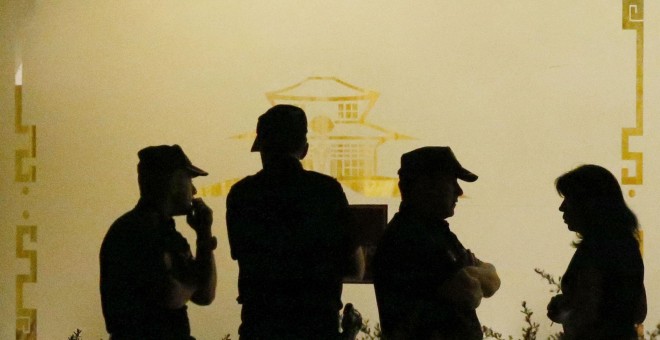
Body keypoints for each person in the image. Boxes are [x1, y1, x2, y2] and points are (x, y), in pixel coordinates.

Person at [226, 104, 365, 339]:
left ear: (262, 148)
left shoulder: (242, 194)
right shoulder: (327, 192)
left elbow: (245, 256)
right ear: (304, 149)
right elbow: (355, 268)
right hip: (318, 327)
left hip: (259, 327)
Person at [373, 146, 500, 339]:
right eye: (451, 182)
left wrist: (469, 274)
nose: (459, 191)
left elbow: (491, 280)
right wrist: (471, 275)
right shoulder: (408, 238)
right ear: (426, 185)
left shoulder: (437, 232)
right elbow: (470, 292)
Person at [100, 145, 217, 340]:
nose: (194, 190)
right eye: (189, 180)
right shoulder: (136, 231)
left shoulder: (165, 232)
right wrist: (192, 283)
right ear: (173, 181)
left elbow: (205, 295)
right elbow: (169, 293)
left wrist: (204, 234)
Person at [547, 164, 646, 339]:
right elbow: (637, 310)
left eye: (569, 199)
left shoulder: (599, 250)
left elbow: (590, 312)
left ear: (588, 204)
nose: (562, 207)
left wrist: (564, 308)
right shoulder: (621, 245)